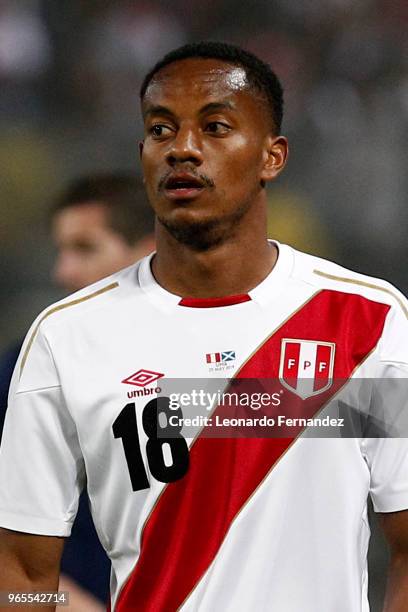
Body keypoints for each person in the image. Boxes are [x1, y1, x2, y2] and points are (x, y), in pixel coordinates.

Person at [0, 41, 407, 612]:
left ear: (273, 156)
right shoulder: (66, 337)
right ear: (142, 151)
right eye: (161, 130)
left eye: (215, 127)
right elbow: (20, 570)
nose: (182, 149)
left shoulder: (369, 320)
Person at [0, 173, 155, 610]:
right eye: (61, 250)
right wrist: (63, 602)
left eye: (85, 248)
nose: (62, 271)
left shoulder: (223, 361)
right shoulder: (27, 370)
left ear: (147, 253)